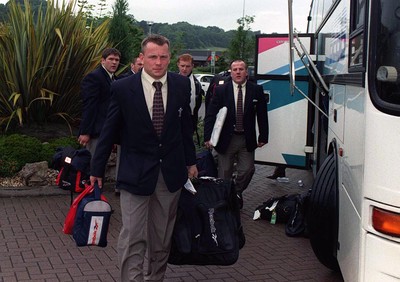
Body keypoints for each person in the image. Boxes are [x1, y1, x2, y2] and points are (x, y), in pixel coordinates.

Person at [89, 34, 198, 281]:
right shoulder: (122, 87)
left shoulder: (181, 85)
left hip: (170, 173)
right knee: (133, 235)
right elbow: (108, 131)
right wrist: (96, 169)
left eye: (163, 57)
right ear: (142, 58)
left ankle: (155, 278)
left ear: (169, 57)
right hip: (134, 172)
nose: (158, 62)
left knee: (161, 237)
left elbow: (185, 128)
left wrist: (191, 162)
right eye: (152, 57)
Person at [204, 59, 268, 208]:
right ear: (230, 72)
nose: (238, 72)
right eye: (235, 69)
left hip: (247, 139)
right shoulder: (221, 91)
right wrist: (208, 137)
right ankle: (225, 202)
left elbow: (262, 115)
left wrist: (263, 136)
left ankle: (236, 191)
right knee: (224, 173)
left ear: (246, 72)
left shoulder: (256, 90)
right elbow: (211, 114)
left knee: (247, 170)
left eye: (241, 69)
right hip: (226, 139)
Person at [77, 47, 121, 156]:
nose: (114, 62)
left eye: (117, 60)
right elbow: (89, 105)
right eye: (111, 59)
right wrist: (85, 132)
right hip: (96, 133)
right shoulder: (94, 77)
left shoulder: (115, 79)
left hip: (109, 131)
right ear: (103, 60)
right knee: (92, 166)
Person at [177, 53, 204, 137]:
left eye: (187, 66)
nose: (184, 69)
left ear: (192, 66)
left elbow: (197, 105)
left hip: (189, 120)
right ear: (178, 65)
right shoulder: (170, 80)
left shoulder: (197, 85)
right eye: (182, 66)